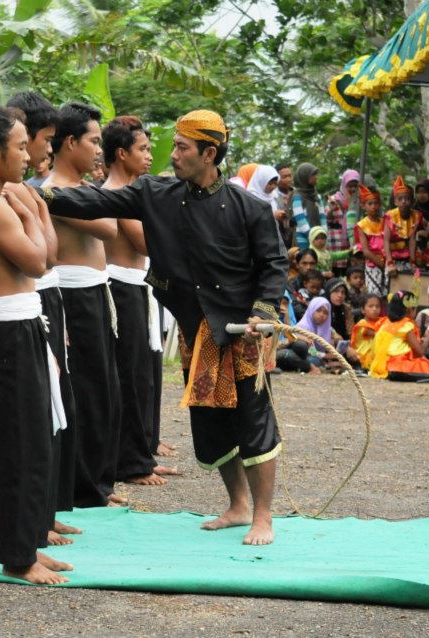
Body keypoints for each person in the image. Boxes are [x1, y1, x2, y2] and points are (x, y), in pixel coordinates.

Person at [38, 109, 288, 545]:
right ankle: (237, 506)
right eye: (172, 145)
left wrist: (264, 314)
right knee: (211, 422)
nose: (171, 155)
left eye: (181, 148)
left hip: (244, 332)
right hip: (198, 329)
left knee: (253, 420)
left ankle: (262, 516)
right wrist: (35, 196)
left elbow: (273, 265)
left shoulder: (250, 208)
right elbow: (95, 201)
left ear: (209, 154)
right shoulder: (156, 193)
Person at [0, 104, 72, 585]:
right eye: (22, 146)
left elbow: (45, 256)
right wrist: (38, 208)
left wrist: (31, 208)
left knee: (37, 443)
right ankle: (16, 553)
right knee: (14, 448)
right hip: (5, 331)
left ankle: (30, 543)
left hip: (26, 324)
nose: (30, 156)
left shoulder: (3, 200)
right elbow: (40, 262)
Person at [6, 90, 81, 544]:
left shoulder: (29, 193)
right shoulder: (14, 196)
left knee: (58, 408)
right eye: (45, 139)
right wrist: (38, 210)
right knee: (35, 417)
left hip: (47, 302)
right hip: (26, 306)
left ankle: (48, 509)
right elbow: (44, 257)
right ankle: (34, 517)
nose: (49, 149)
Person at [46, 102, 123, 508]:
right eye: (93, 141)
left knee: (105, 391)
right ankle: (85, 487)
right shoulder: (53, 191)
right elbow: (109, 226)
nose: (98, 149)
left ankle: (99, 482)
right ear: (69, 142)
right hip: (73, 293)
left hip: (96, 290)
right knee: (87, 394)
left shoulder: (82, 189)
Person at [99, 115, 178, 488]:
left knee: (147, 375)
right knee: (129, 376)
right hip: (122, 287)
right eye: (143, 150)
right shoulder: (116, 193)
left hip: (140, 287)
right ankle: (130, 463)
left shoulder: (137, 190)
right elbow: (147, 243)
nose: (149, 157)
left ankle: (144, 450)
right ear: (121, 153)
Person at [355, 185, 389, 296]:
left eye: (376, 203)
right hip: (372, 264)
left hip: (388, 262)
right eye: (370, 204)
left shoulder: (385, 222)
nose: (373, 206)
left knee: (388, 294)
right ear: (363, 205)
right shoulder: (362, 225)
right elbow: (366, 251)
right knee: (374, 295)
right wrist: (382, 264)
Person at [384, 176, 422, 272]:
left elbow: (412, 240)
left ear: (412, 202)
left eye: (407, 199)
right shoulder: (390, 216)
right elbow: (386, 241)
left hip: (406, 255)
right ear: (395, 202)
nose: (404, 201)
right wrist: (389, 262)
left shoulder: (416, 216)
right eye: (400, 199)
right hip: (391, 256)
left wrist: (413, 261)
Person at [325, 169, 360, 274]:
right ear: (344, 184)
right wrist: (332, 210)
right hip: (337, 242)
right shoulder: (334, 199)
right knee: (335, 271)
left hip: (352, 243)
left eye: (355, 186)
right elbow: (326, 218)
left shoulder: (360, 201)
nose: (353, 189)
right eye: (350, 185)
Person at [291, 163, 324, 249]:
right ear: (305, 177)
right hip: (303, 238)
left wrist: (323, 233)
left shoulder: (317, 196)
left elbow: (322, 216)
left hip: (319, 238)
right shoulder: (297, 196)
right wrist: (312, 235)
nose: (316, 177)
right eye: (313, 174)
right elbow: (300, 218)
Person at [350, 293, 385, 370]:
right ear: (363, 310)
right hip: (362, 357)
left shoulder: (382, 322)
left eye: (377, 306)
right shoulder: (362, 324)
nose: (374, 309)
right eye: (371, 306)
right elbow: (379, 335)